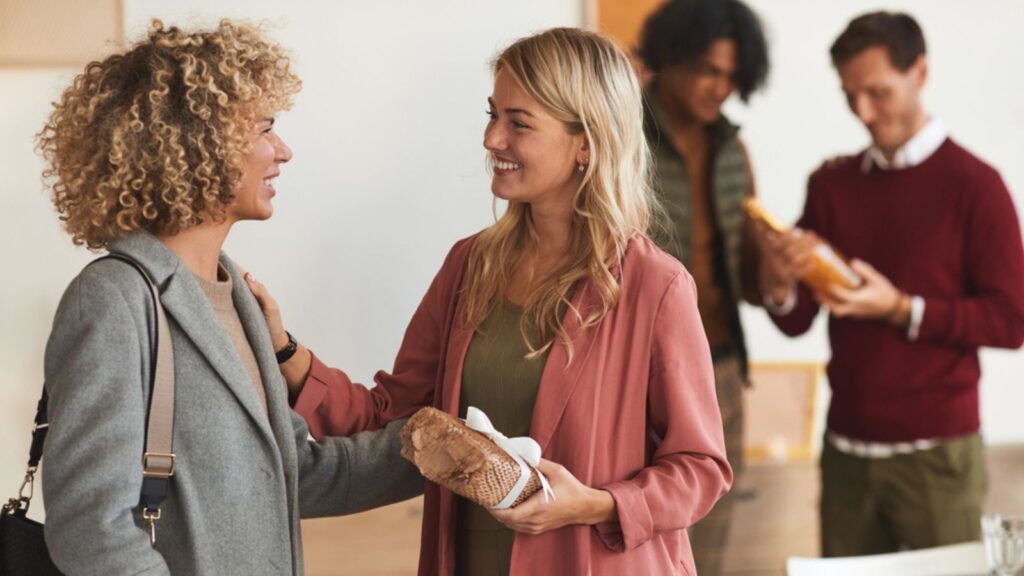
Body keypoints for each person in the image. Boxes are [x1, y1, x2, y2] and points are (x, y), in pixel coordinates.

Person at [247, 27, 730, 576]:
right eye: (492, 114)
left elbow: (700, 468)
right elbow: (396, 416)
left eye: (518, 123)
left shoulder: (655, 286)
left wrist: (596, 503)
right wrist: (284, 349)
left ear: (587, 143)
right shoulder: (468, 266)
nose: (491, 139)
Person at [36, 20, 420, 575]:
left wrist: (432, 449)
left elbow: (290, 472)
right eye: (265, 128)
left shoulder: (235, 292)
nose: (282, 150)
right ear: (198, 144)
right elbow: (90, 526)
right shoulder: (113, 300)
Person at [756, 11, 1024, 557]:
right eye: (850, 95)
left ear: (920, 72)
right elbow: (797, 318)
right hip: (845, 453)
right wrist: (778, 279)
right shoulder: (831, 183)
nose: (862, 111)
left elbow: (1012, 320)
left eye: (877, 92)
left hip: (939, 458)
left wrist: (902, 308)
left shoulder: (976, 185)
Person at [635, 1, 770, 572]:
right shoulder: (619, 136)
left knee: (707, 555)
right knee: (634, 548)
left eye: (732, 76)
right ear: (671, 56)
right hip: (637, 380)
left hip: (721, 376)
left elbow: (746, 280)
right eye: (709, 70)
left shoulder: (732, 150)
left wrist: (779, 274)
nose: (721, 87)